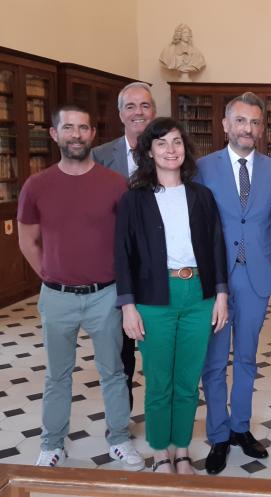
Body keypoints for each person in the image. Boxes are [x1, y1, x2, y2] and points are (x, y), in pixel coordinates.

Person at [17, 105, 144, 470]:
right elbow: (28, 241)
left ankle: (119, 438)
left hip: (105, 294)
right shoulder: (36, 186)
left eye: (83, 128)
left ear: (92, 135)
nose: (76, 134)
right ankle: (52, 444)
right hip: (57, 296)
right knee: (57, 375)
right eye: (68, 128)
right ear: (55, 134)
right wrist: (50, 277)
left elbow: (129, 242)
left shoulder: (115, 184)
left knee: (114, 372)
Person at [114, 117, 228, 474]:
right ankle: (160, 452)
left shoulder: (201, 196)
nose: (170, 150)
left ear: (185, 149)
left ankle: (181, 450)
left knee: (188, 378)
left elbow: (216, 246)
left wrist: (221, 295)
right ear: (149, 151)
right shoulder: (134, 200)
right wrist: (128, 306)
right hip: (153, 297)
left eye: (177, 142)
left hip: (198, 294)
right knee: (160, 379)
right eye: (161, 143)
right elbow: (123, 253)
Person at [198, 92, 271, 474]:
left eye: (254, 122)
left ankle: (241, 428)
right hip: (216, 280)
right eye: (240, 121)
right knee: (215, 362)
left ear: (261, 128)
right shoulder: (202, 167)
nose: (247, 128)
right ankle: (218, 435)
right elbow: (198, 225)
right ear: (225, 125)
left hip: (255, 279)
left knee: (248, 359)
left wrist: (259, 258)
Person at [92, 81, 157, 410]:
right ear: (120, 114)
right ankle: (121, 417)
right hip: (113, 269)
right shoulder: (100, 157)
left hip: (158, 268)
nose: (138, 112)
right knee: (119, 350)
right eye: (130, 106)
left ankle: (162, 416)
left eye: (144, 105)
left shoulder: (168, 152)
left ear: (154, 111)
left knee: (158, 349)